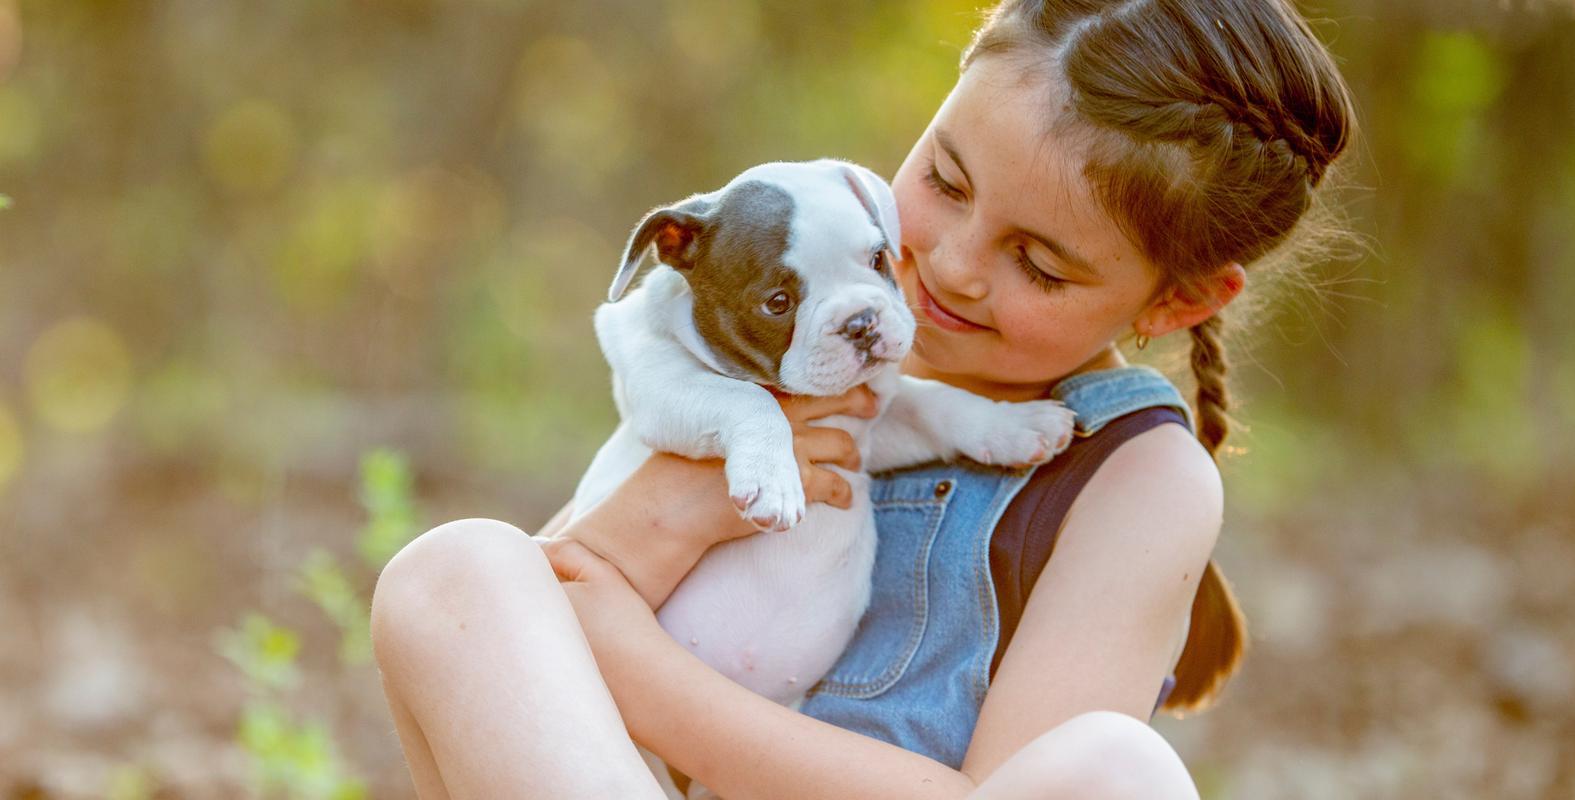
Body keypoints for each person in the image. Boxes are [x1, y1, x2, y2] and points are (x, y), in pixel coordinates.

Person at [368, 0, 1354, 797]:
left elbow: (1003, 791)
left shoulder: (1137, 475)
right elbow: (558, 617)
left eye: (1038, 264)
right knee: (453, 572)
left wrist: (632, 663)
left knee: (1116, 771)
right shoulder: (778, 328)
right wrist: (687, 500)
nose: (953, 268)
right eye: (946, 179)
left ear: (1181, 297)